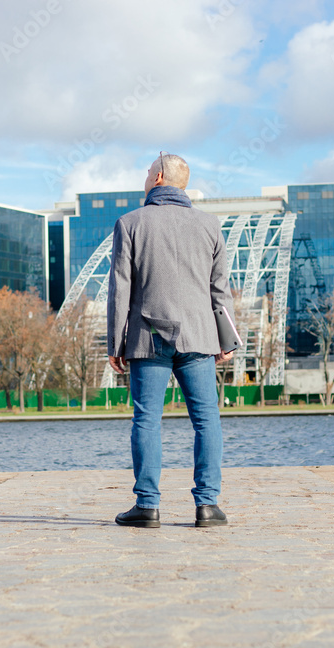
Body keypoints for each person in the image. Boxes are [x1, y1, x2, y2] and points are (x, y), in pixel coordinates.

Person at [107, 152, 235, 529]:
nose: (145, 178)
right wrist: (226, 340)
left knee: (147, 419)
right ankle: (208, 506)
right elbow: (220, 290)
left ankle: (147, 507)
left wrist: (116, 343)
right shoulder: (210, 226)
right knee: (207, 419)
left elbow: (121, 290)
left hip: (148, 335)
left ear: (159, 176)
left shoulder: (130, 223)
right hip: (199, 336)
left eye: (147, 172)